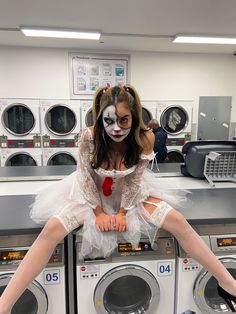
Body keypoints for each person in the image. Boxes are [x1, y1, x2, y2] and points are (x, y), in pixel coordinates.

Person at [0, 85, 236, 313]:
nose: (116, 128)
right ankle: (4, 305)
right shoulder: (90, 138)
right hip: (91, 194)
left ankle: (228, 283)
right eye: (109, 120)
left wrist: (123, 212)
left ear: (133, 118)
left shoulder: (146, 138)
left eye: (123, 120)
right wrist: (98, 212)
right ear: (100, 118)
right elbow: (84, 179)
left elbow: (134, 182)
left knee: (178, 222)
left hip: (129, 195)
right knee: (51, 230)